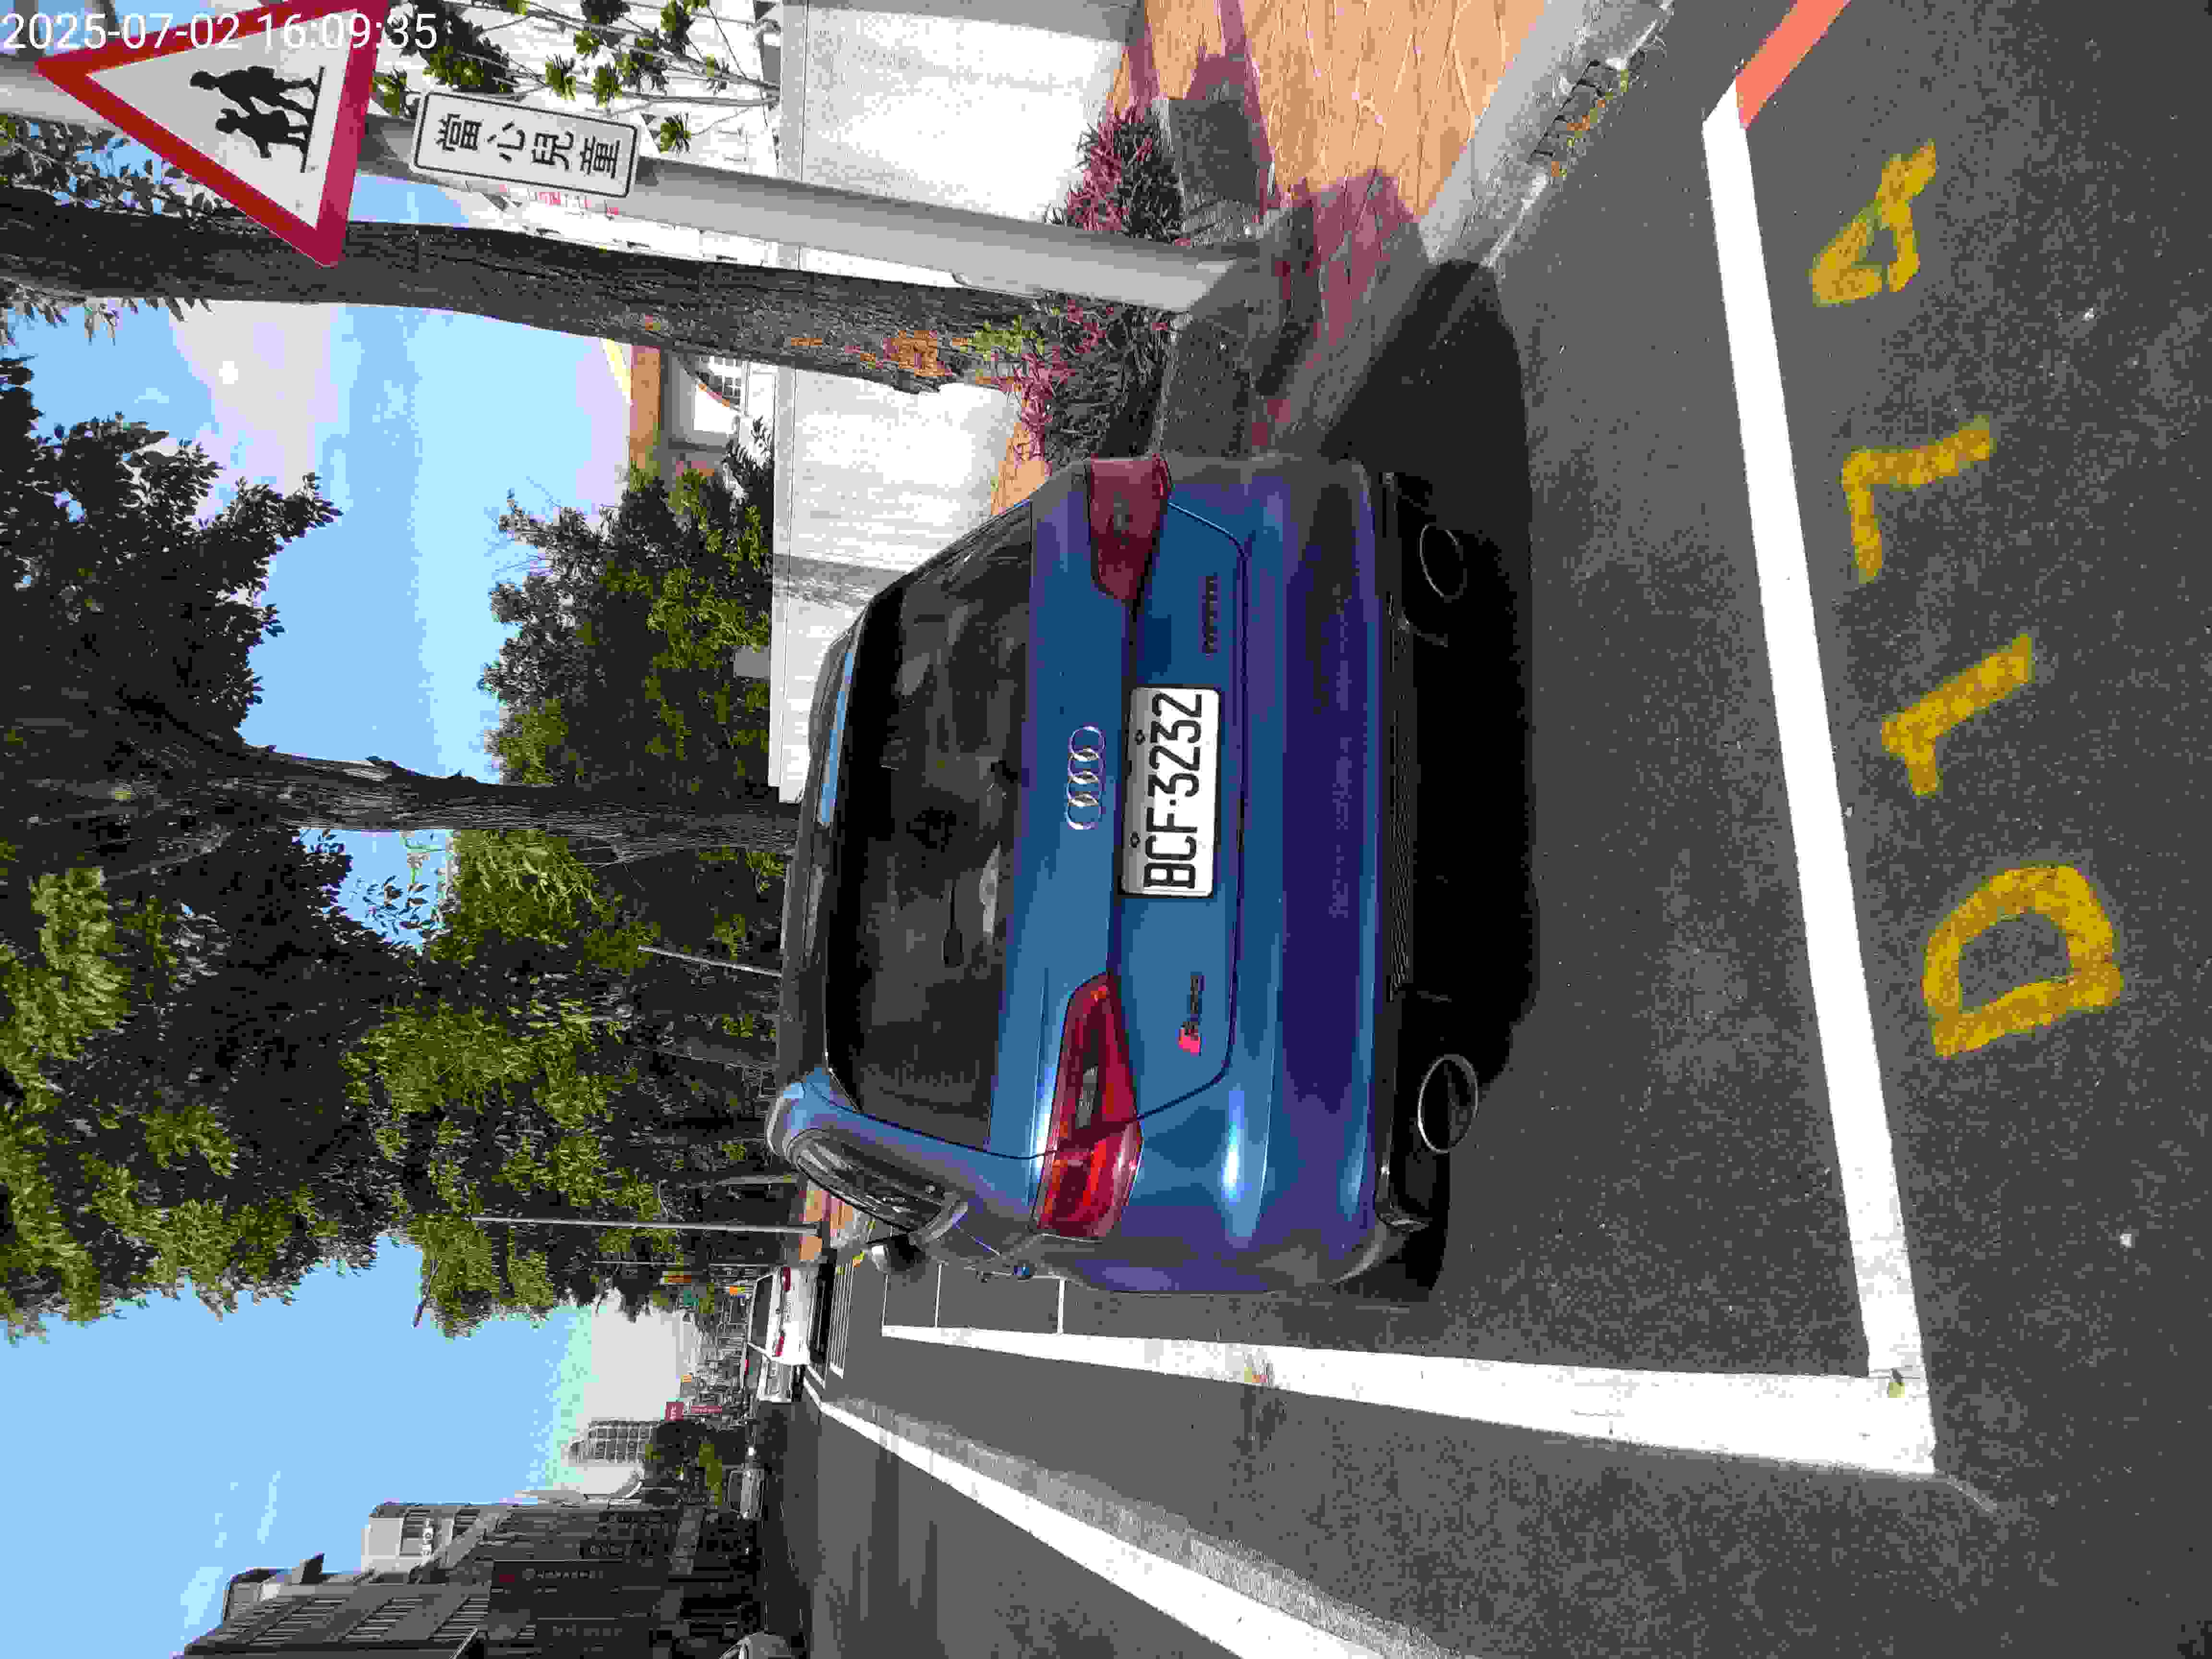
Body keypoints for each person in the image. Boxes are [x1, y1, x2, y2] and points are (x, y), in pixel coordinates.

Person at [190, 65, 317, 120]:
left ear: (207, 81)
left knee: (283, 97)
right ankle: (306, 88)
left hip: (260, 87)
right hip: (259, 88)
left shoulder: (225, 86)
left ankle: (305, 108)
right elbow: (244, 99)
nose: (205, 88)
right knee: (284, 92)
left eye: (203, 86)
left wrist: (255, 113)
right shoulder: (225, 81)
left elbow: (243, 100)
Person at [214, 106, 310, 162]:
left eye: (226, 130)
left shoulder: (244, 126)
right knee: (276, 135)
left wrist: (263, 151)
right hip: (276, 119)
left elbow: (259, 138)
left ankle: (302, 140)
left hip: (276, 121)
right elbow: (259, 138)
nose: (228, 132)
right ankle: (302, 134)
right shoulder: (240, 123)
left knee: (276, 136)